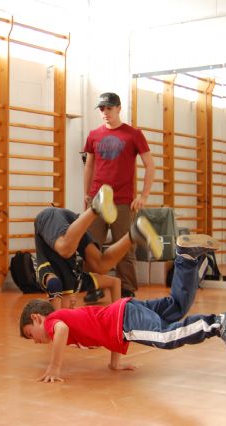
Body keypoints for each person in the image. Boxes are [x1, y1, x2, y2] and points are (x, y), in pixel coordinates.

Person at [20, 234, 226, 383]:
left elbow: (60, 331)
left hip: (125, 319)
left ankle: (220, 323)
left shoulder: (54, 322)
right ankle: (187, 257)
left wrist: (54, 367)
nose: (37, 341)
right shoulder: (67, 319)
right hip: (124, 311)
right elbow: (106, 331)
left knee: (165, 337)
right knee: (176, 305)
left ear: (37, 318)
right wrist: (114, 363)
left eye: (31, 334)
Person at [34, 185, 163, 310]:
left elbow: (54, 286)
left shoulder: (48, 278)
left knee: (65, 250)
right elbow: (114, 283)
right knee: (101, 264)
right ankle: (134, 233)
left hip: (48, 217)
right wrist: (116, 317)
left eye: (69, 308)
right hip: (74, 223)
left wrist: (57, 315)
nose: (73, 307)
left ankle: (95, 207)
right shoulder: (78, 282)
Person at [83, 92, 156, 298]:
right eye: (102, 109)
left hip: (123, 201)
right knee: (91, 246)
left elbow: (150, 166)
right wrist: (87, 194)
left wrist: (143, 195)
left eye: (109, 108)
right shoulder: (94, 135)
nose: (105, 112)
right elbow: (89, 165)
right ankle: (94, 286)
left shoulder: (133, 134)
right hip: (97, 201)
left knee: (124, 247)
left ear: (119, 108)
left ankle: (127, 288)